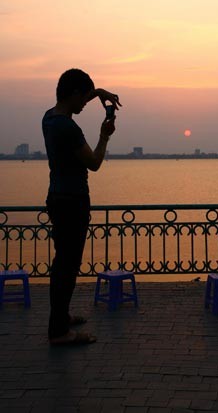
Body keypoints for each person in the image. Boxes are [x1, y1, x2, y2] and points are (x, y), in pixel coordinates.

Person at [42, 69, 121, 345]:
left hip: (57, 197)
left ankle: (61, 318)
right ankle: (59, 332)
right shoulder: (68, 128)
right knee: (67, 266)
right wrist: (104, 135)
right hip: (72, 201)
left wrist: (98, 93)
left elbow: (78, 98)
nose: (85, 105)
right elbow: (94, 162)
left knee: (62, 263)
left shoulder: (49, 118)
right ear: (74, 93)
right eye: (84, 100)